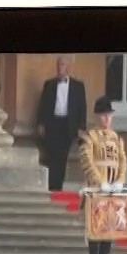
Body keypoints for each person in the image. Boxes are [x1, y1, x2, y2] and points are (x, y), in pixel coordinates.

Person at [76, 95, 127, 254]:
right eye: (104, 115)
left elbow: (122, 161)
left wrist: (120, 180)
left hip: (113, 184)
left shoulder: (116, 138)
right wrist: (99, 181)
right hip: (97, 185)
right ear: (97, 116)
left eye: (109, 115)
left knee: (111, 220)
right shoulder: (90, 137)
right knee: (95, 220)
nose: (107, 119)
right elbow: (87, 160)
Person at [35, 57, 87, 192]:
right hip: (52, 124)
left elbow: (82, 107)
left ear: (68, 67)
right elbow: (42, 105)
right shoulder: (49, 84)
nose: (59, 68)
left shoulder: (78, 86)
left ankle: (58, 186)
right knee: (51, 156)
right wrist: (40, 123)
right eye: (58, 65)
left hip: (67, 125)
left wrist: (81, 127)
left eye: (62, 65)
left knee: (62, 157)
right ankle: (51, 186)